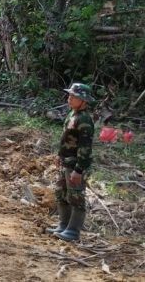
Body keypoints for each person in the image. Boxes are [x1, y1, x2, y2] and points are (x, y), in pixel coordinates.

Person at [48, 82, 96, 242]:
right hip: (66, 162)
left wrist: (79, 169)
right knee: (61, 193)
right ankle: (63, 225)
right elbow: (66, 139)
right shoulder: (72, 114)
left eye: (73, 96)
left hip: (75, 164)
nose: (69, 98)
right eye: (69, 95)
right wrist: (59, 156)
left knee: (76, 197)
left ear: (83, 100)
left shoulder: (84, 120)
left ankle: (73, 231)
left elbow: (85, 148)